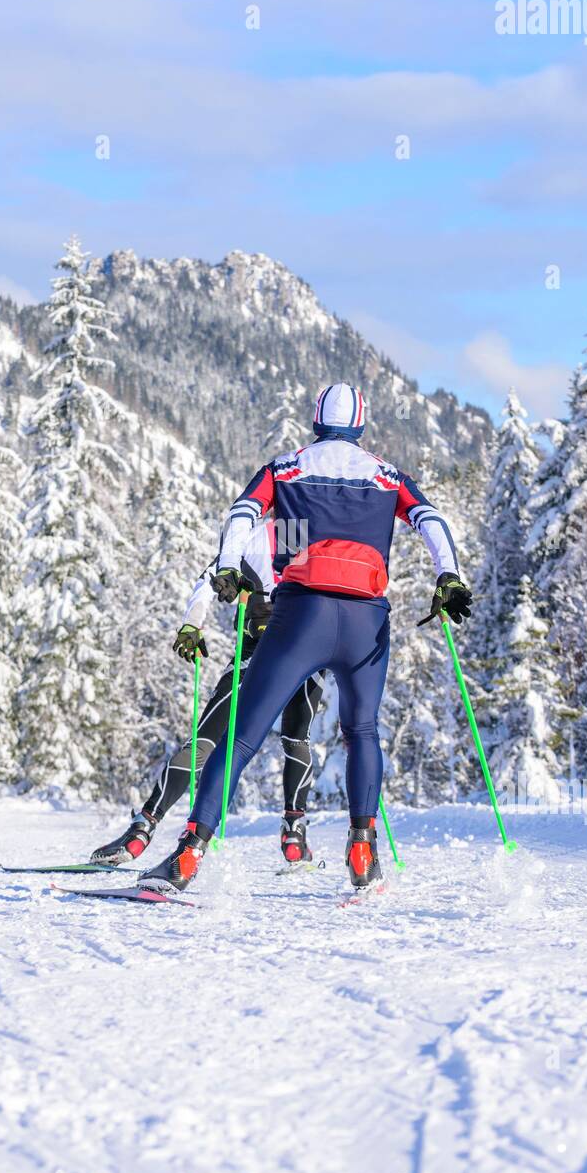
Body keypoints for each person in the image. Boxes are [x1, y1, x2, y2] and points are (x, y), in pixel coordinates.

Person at [139, 383, 472, 894]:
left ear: (316, 420)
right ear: (361, 425)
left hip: (302, 617)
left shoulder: (286, 468)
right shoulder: (388, 476)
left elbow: (242, 515)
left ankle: (188, 855)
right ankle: (362, 850)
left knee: (243, 736)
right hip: (366, 622)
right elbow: (431, 519)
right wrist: (448, 577)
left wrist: (229, 568)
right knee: (361, 732)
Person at [90, 518, 326, 868]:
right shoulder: (316, 532)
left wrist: (192, 623)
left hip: (256, 652)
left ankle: (142, 830)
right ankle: (294, 833)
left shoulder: (250, 533)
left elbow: (207, 580)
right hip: (310, 650)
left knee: (205, 743)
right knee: (296, 739)